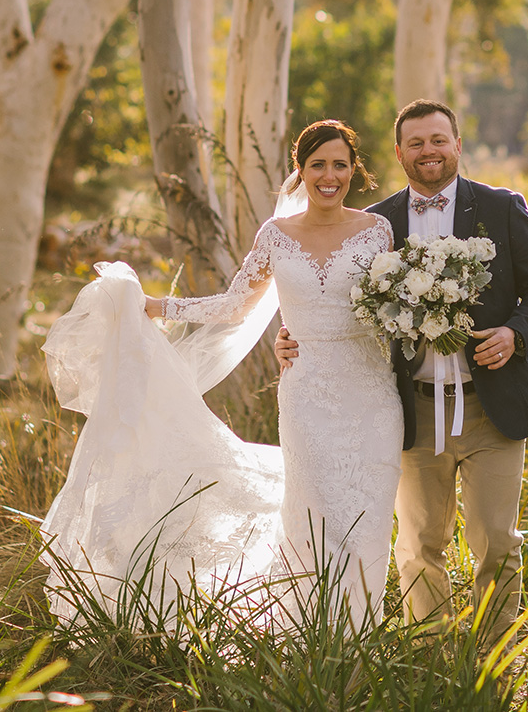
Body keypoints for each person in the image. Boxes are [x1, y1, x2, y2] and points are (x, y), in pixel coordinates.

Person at [38, 119, 401, 626]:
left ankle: (362, 629)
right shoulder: (276, 236)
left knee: (367, 514)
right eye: (318, 164)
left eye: (340, 164)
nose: (329, 175)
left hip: (372, 396)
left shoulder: (377, 231)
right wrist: (157, 307)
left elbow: (395, 309)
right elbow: (234, 305)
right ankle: (309, 631)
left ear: (353, 170)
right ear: (300, 171)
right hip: (307, 393)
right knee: (312, 512)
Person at [275, 99, 528, 638]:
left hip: (491, 405)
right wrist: (292, 337)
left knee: (495, 540)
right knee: (417, 545)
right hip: (411, 410)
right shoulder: (376, 224)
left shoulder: (501, 207)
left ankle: (490, 663)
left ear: (457, 144)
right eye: (416, 143)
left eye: (438, 140)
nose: (428, 151)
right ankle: (428, 660)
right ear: (400, 152)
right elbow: (331, 298)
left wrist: (515, 334)